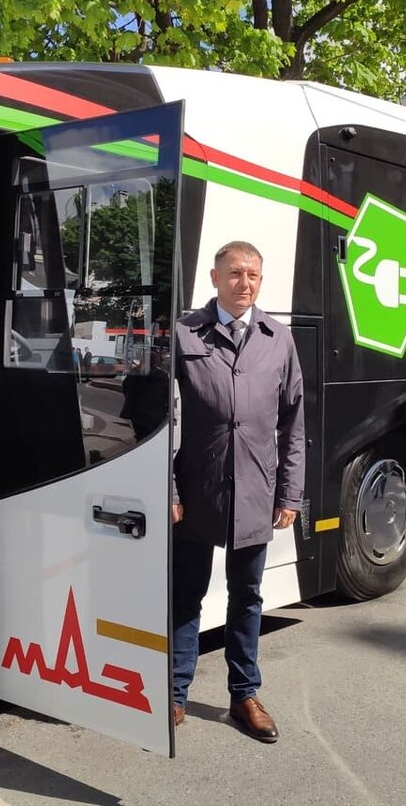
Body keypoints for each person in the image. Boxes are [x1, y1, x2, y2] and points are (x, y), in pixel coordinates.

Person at [171, 240, 305, 743]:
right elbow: (163, 415)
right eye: (234, 274)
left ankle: (244, 694)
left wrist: (290, 494)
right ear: (214, 277)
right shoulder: (185, 332)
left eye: (252, 275)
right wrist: (167, 489)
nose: (244, 283)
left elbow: (293, 422)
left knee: (247, 596)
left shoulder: (278, 338)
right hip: (195, 491)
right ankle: (175, 693)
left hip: (255, 491)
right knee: (186, 595)